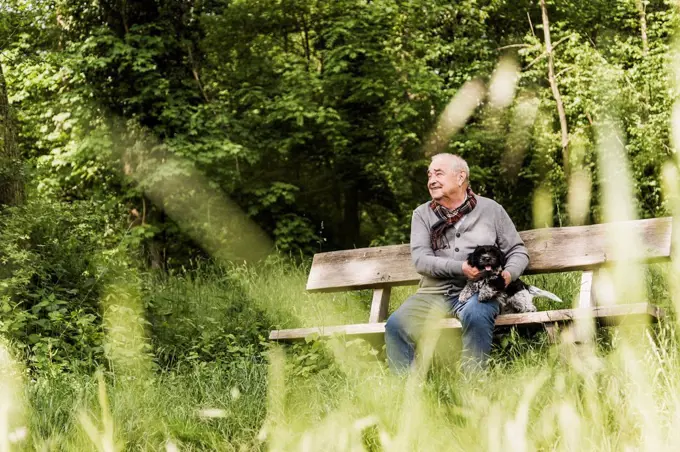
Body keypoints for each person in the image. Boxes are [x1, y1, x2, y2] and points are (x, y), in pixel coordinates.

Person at [384, 153, 529, 372]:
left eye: (438, 173)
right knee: (395, 325)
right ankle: (407, 395)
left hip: (479, 292)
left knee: (476, 314)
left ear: (460, 177)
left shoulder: (491, 210)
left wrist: (508, 275)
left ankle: (473, 386)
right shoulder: (422, 215)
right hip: (433, 294)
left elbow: (518, 250)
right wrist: (459, 267)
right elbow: (421, 260)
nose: (431, 179)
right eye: (429, 174)